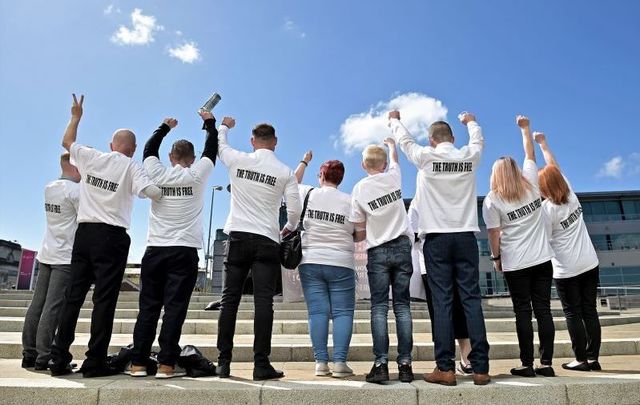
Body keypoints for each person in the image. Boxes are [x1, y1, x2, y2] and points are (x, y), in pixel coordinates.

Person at [49, 94, 162, 377]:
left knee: (72, 297)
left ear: (112, 145)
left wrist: (75, 116)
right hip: (112, 236)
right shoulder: (132, 166)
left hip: (84, 233)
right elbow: (152, 192)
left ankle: (58, 358)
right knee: (104, 300)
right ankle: (94, 361)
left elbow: (67, 143)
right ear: (133, 150)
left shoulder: (91, 156)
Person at [390, 110, 490, 386]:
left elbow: (404, 141)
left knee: (443, 302)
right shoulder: (469, 157)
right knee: (471, 300)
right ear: (452, 138)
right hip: (466, 236)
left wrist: (395, 119)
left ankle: (445, 368)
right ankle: (480, 368)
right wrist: (471, 121)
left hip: (436, 239)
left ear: (431, 140)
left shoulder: (426, 157)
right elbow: (479, 141)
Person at [128, 111, 218, 379]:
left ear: (171, 158)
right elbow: (211, 149)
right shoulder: (198, 175)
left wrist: (164, 127)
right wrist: (211, 123)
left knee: (148, 309)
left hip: (155, 249)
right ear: (192, 160)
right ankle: (166, 365)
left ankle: (138, 364)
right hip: (184, 250)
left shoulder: (157, 172)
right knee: (175, 309)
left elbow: (148, 150)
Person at [215, 119, 302, 381]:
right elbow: (295, 211)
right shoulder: (285, 171)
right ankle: (260, 364)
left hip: (239, 236)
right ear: (275, 142)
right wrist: (287, 228)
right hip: (267, 239)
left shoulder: (239, 159)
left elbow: (220, 146)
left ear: (253, 141)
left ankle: (223, 363)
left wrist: (224, 126)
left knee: (229, 300)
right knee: (264, 303)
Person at [482, 115, 556, 378]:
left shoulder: (493, 200)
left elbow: (493, 234)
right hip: (542, 259)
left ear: (495, 175)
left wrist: (496, 257)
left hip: (515, 263)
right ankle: (546, 364)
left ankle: (526, 364)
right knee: (544, 310)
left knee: (522, 312)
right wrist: (526, 129)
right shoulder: (532, 184)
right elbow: (529, 152)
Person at [535, 132, 602, 372]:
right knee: (590, 310)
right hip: (590, 262)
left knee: (573, 313)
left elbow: (543, 240)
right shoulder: (571, 195)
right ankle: (593, 358)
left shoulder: (547, 211)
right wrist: (543, 143)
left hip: (567, 270)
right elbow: (554, 166)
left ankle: (581, 359)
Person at [350, 138, 414, 384]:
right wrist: (392, 145)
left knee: (379, 307)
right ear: (384, 164)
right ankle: (406, 364)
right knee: (402, 307)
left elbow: (359, 229)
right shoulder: (393, 177)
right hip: (401, 246)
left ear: (363, 164)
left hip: (377, 250)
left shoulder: (359, 189)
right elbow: (396, 161)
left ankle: (381, 364)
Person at [294, 151, 357, 378]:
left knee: (317, 312)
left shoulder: (308, 194)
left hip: (311, 260)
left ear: (321, 175)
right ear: (340, 179)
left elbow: (293, 182)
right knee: (343, 313)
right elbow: (358, 233)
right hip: (341, 261)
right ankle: (340, 363)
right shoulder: (351, 200)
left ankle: (321, 363)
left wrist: (305, 161)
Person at [22, 153, 81, 370]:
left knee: (37, 304)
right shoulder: (76, 191)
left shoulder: (49, 187)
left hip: (46, 251)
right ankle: (44, 357)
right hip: (64, 256)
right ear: (76, 168)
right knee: (53, 307)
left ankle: (29, 353)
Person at [407, 199, 473, 375]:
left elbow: (411, 234)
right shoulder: (453, 193)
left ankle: (445, 364)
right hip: (456, 258)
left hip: (430, 262)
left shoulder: (418, 201)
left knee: (439, 311)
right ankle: (467, 359)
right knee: (459, 308)